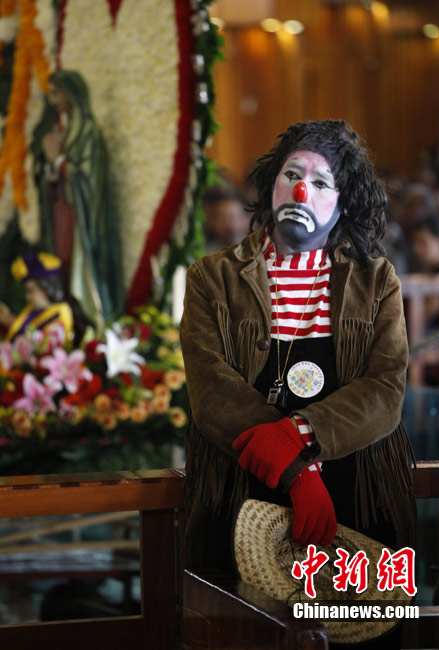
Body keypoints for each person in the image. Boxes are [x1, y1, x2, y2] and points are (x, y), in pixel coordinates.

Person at [180, 121, 416, 645]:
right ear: (272, 184)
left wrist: (298, 434)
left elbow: (385, 389)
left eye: (321, 182)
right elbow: (211, 392)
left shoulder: (376, 280)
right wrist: (299, 474)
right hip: (240, 491)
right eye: (292, 174)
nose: (302, 190)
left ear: (344, 203)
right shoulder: (211, 278)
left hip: (359, 491)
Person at [37, 70, 124, 330]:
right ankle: (71, 324)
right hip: (65, 215)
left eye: (57, 93)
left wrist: (58, 161)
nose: (53, 100)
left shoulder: (89, 132)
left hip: (83, 219)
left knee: (81, 272)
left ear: (71, 93)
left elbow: (89, 180)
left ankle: (91, 321)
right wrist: (51, 166)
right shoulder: (66, 132)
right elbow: (60, 173)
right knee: (63, 269)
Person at [0, 252, 73, 344]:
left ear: (47, 289)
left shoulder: (60, 311)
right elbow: (21, 329)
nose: (27, 297)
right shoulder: (32, 309)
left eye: (31, 291)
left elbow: (47, 343)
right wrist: (7, 319)